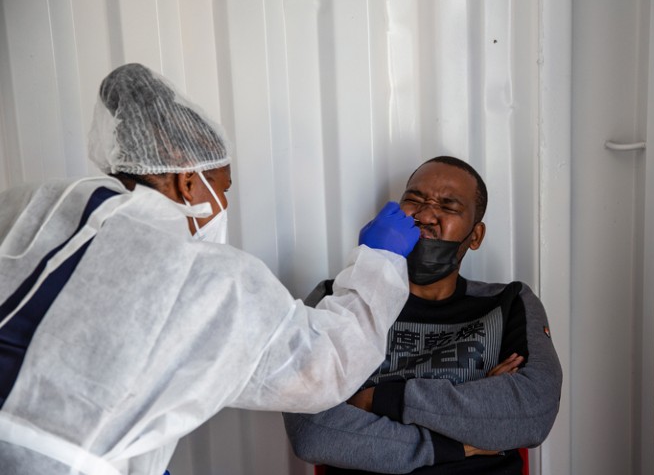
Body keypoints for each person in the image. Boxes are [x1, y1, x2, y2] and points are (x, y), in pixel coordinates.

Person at [0, 63, 420, 475]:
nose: (223, 201)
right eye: (223, 186)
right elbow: (319, 369)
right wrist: (379, 261)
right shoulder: (203, 277)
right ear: (187, 182)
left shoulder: (30, 205)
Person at [283, 156, 562, 474]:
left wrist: (375, 399)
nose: (426, 214)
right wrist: (456, 441)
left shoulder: (508, 302)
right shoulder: (340, 298)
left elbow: (529, 413)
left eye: (448, 206)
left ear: (475, 236)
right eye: (414, 200)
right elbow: (313, 433)